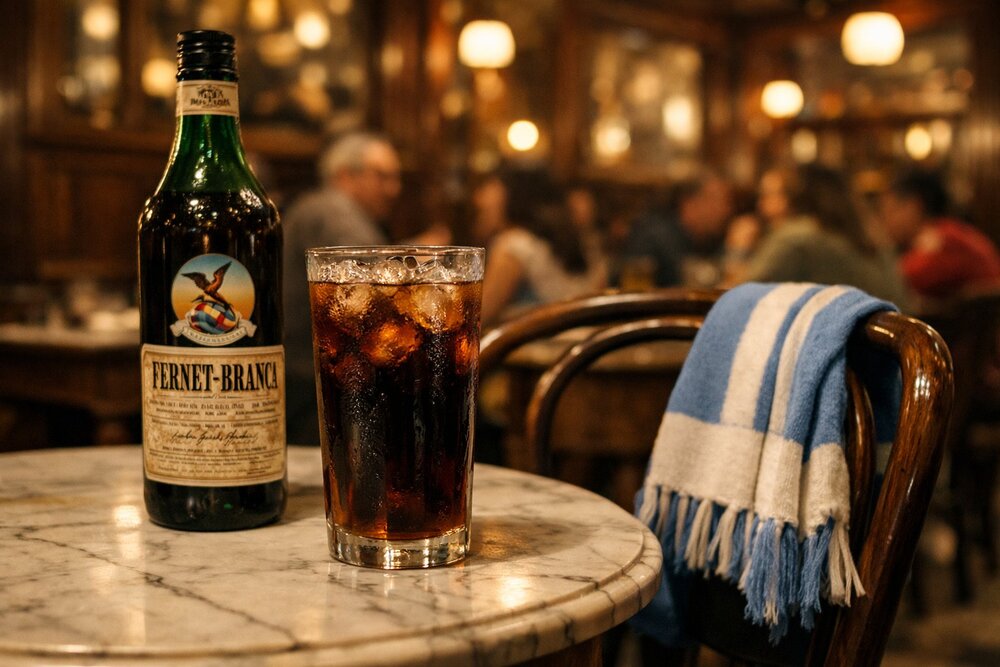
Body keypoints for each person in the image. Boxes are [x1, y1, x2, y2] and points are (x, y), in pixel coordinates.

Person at [283, 132, 402, 445]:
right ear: (345, 175)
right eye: (382, 176)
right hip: (314, 383)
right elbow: (371, 288)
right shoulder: (333, 210)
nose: (394, 189)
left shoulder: (317, 207)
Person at [737, 164, 910, 306]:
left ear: (795, 197)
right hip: (890, 345)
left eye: (771, 195)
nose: (761, 205)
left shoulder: (795, 238)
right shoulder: (873, 239)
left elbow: (740, 300)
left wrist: (737, 250)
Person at [480, 172, 607, 326]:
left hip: (537, 348)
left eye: (486, 192)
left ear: (511, 198)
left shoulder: (514, 245)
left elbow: (479, 316)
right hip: (586, 344)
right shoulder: (580, 241)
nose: (479, 198)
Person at [880, 169, 1000, 299]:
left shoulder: (946, 237)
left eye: (890, 211)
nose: (884, 221)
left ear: (913, 206)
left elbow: (901, 280)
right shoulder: (945, 232)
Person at [617, 171, 734, 289]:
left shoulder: (711, 240)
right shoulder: (654, 237)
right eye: (718, 200)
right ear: (689, 203)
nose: (726, 210)